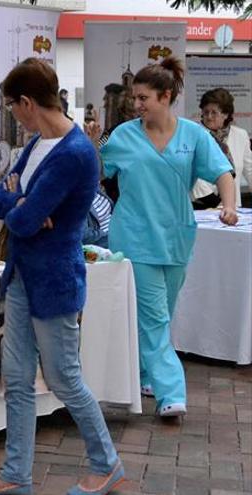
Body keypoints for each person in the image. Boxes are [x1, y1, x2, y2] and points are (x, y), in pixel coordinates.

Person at [0, 58, 123, 495]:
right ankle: (16, 476)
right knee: (16, 378)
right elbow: (2, 201)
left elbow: (24, 217)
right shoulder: (38, 143)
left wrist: (21, 207)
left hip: (54, 280)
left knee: (64, 378)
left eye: (11, 105)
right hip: (22, 276)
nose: (11, 113)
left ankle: (106, 463)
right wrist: (21, 206)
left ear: (28, 103)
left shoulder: (74, 152)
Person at [94, 58, 237, 418]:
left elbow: (224, 173)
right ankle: (171, 392)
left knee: (162, 312)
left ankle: (144, 375)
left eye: (144, 97)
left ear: (166, 96)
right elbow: (94, 170)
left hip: (176, 238)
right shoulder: (123, 136)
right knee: (155, 316)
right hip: (134, 237)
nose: (137, 104)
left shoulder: (194, 135)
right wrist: (90, 142)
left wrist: (229, 206)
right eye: (135, 97)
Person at [191, 88, 252, 209]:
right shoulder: (194, 134)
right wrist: (218, 203)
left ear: (226, 114)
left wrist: (229, 205)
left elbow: (250, 170)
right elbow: (193, 173)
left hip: (234, 208)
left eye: (214, 112)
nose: (208, 117)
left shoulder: (240, 135)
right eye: (205, 112)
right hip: (203, 206)